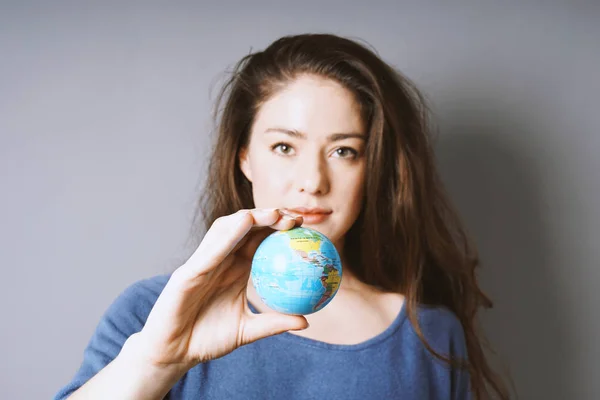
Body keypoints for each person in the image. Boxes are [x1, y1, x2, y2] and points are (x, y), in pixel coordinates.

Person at [54, 33, 510, 400]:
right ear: (245, 158)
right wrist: (156, 364)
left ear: (373, 169)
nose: (313, 180)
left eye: (344, 151)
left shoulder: (428, 336)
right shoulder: (155, 313)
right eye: (284, 147)